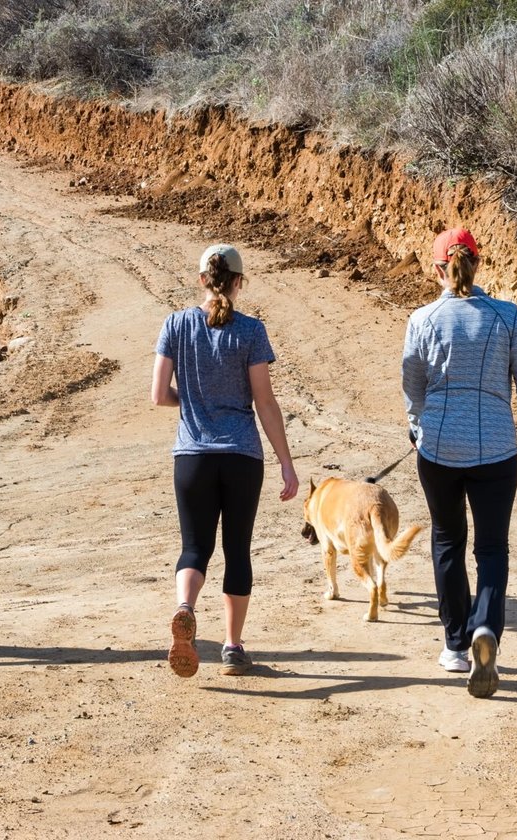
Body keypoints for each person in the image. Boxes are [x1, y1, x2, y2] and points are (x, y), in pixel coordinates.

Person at [401, 228, 517, 698]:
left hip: (439, 450)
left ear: (437, 269)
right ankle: (486, 626)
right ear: (478, 264)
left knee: (447, 540)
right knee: (491, 549)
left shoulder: (423, 319)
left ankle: (455, 643)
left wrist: (417, 424)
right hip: (496, 451)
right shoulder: (506, 316)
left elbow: (413, 383)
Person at [152, 244, 299, 678]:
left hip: (192, 456)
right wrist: (286, 463)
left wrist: (193, 401)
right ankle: (233, 648)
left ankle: (185, 607)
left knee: (194, 547)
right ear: (238, 283)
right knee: (237, 551)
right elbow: (265, 401)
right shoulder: (252, 331)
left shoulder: (175, 324)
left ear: (202, 279)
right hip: (241, 457)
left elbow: (158, 395)